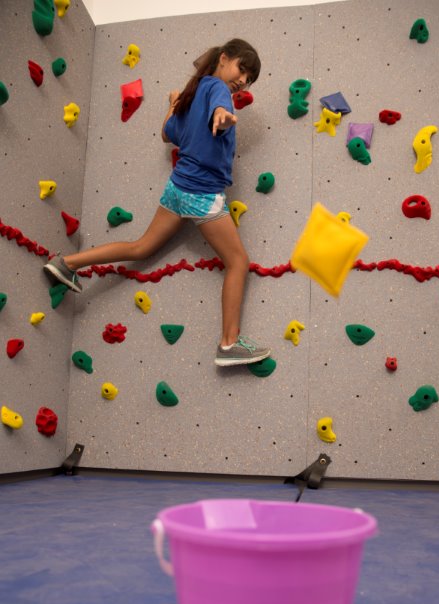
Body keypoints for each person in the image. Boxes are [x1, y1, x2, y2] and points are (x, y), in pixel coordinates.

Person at [44, 39, 271, 367]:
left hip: (178, 188)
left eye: (249, 80)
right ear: (224, 59)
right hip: (200, 192)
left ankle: (68, 264)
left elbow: (168, 133)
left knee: (140, 248)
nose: (243, 81)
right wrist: (223, 116)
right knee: (238, 262)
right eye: (242, 69)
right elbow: (220, 109)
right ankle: (229, 343)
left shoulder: (192, 96)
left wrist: (173, 102)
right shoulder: (217, 90)